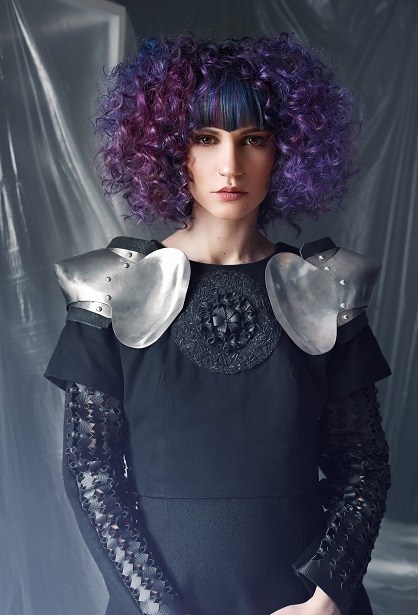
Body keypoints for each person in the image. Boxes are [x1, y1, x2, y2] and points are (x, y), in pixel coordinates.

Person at [45, 34, 391, 615]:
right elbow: (92, 473)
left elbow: (362, 467)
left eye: (253, 139)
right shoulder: (112, 289)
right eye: (205, 139)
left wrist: (327, 596)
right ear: (166, 149)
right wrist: (156, 607)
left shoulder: (325, 287)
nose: (230, 165)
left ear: (286, 152)